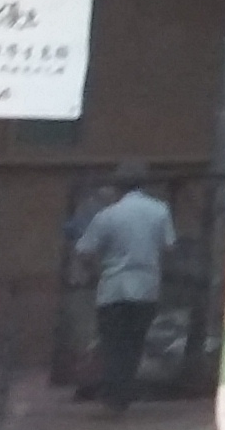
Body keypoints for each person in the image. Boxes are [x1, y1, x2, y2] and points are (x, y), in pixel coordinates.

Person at [69, 170, 167, 414]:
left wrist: (95, 271)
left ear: (118, 188)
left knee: (112, 343)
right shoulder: (160, 210)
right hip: (146, 287)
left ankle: (113, 396)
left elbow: (84, 250)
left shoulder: (108, 215)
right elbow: (169, 246)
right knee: (135, 342)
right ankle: (124, 392)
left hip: (113, 288)